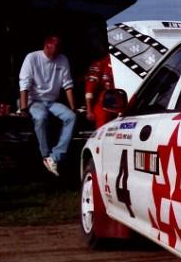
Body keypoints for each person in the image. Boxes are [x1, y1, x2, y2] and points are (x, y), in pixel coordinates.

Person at [18, 35, 76, 176]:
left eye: (59, 49)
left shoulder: (62, 59)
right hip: (34, 100)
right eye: (54, 49)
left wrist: (73, 107)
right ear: (47, 46)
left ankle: (55, 156)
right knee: (41, 117)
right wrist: (24, 107)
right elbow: (24, 83)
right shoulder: (32, 58)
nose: (56, 53)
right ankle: (45, 155)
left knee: (71, 117)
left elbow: (67, 84)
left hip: (51, 101)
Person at [84, 47, 117, 129]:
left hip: (121, 101)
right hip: (104, 103)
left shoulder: (123, 66)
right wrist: (89, 110)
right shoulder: (99, 65)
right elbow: (89, 89)